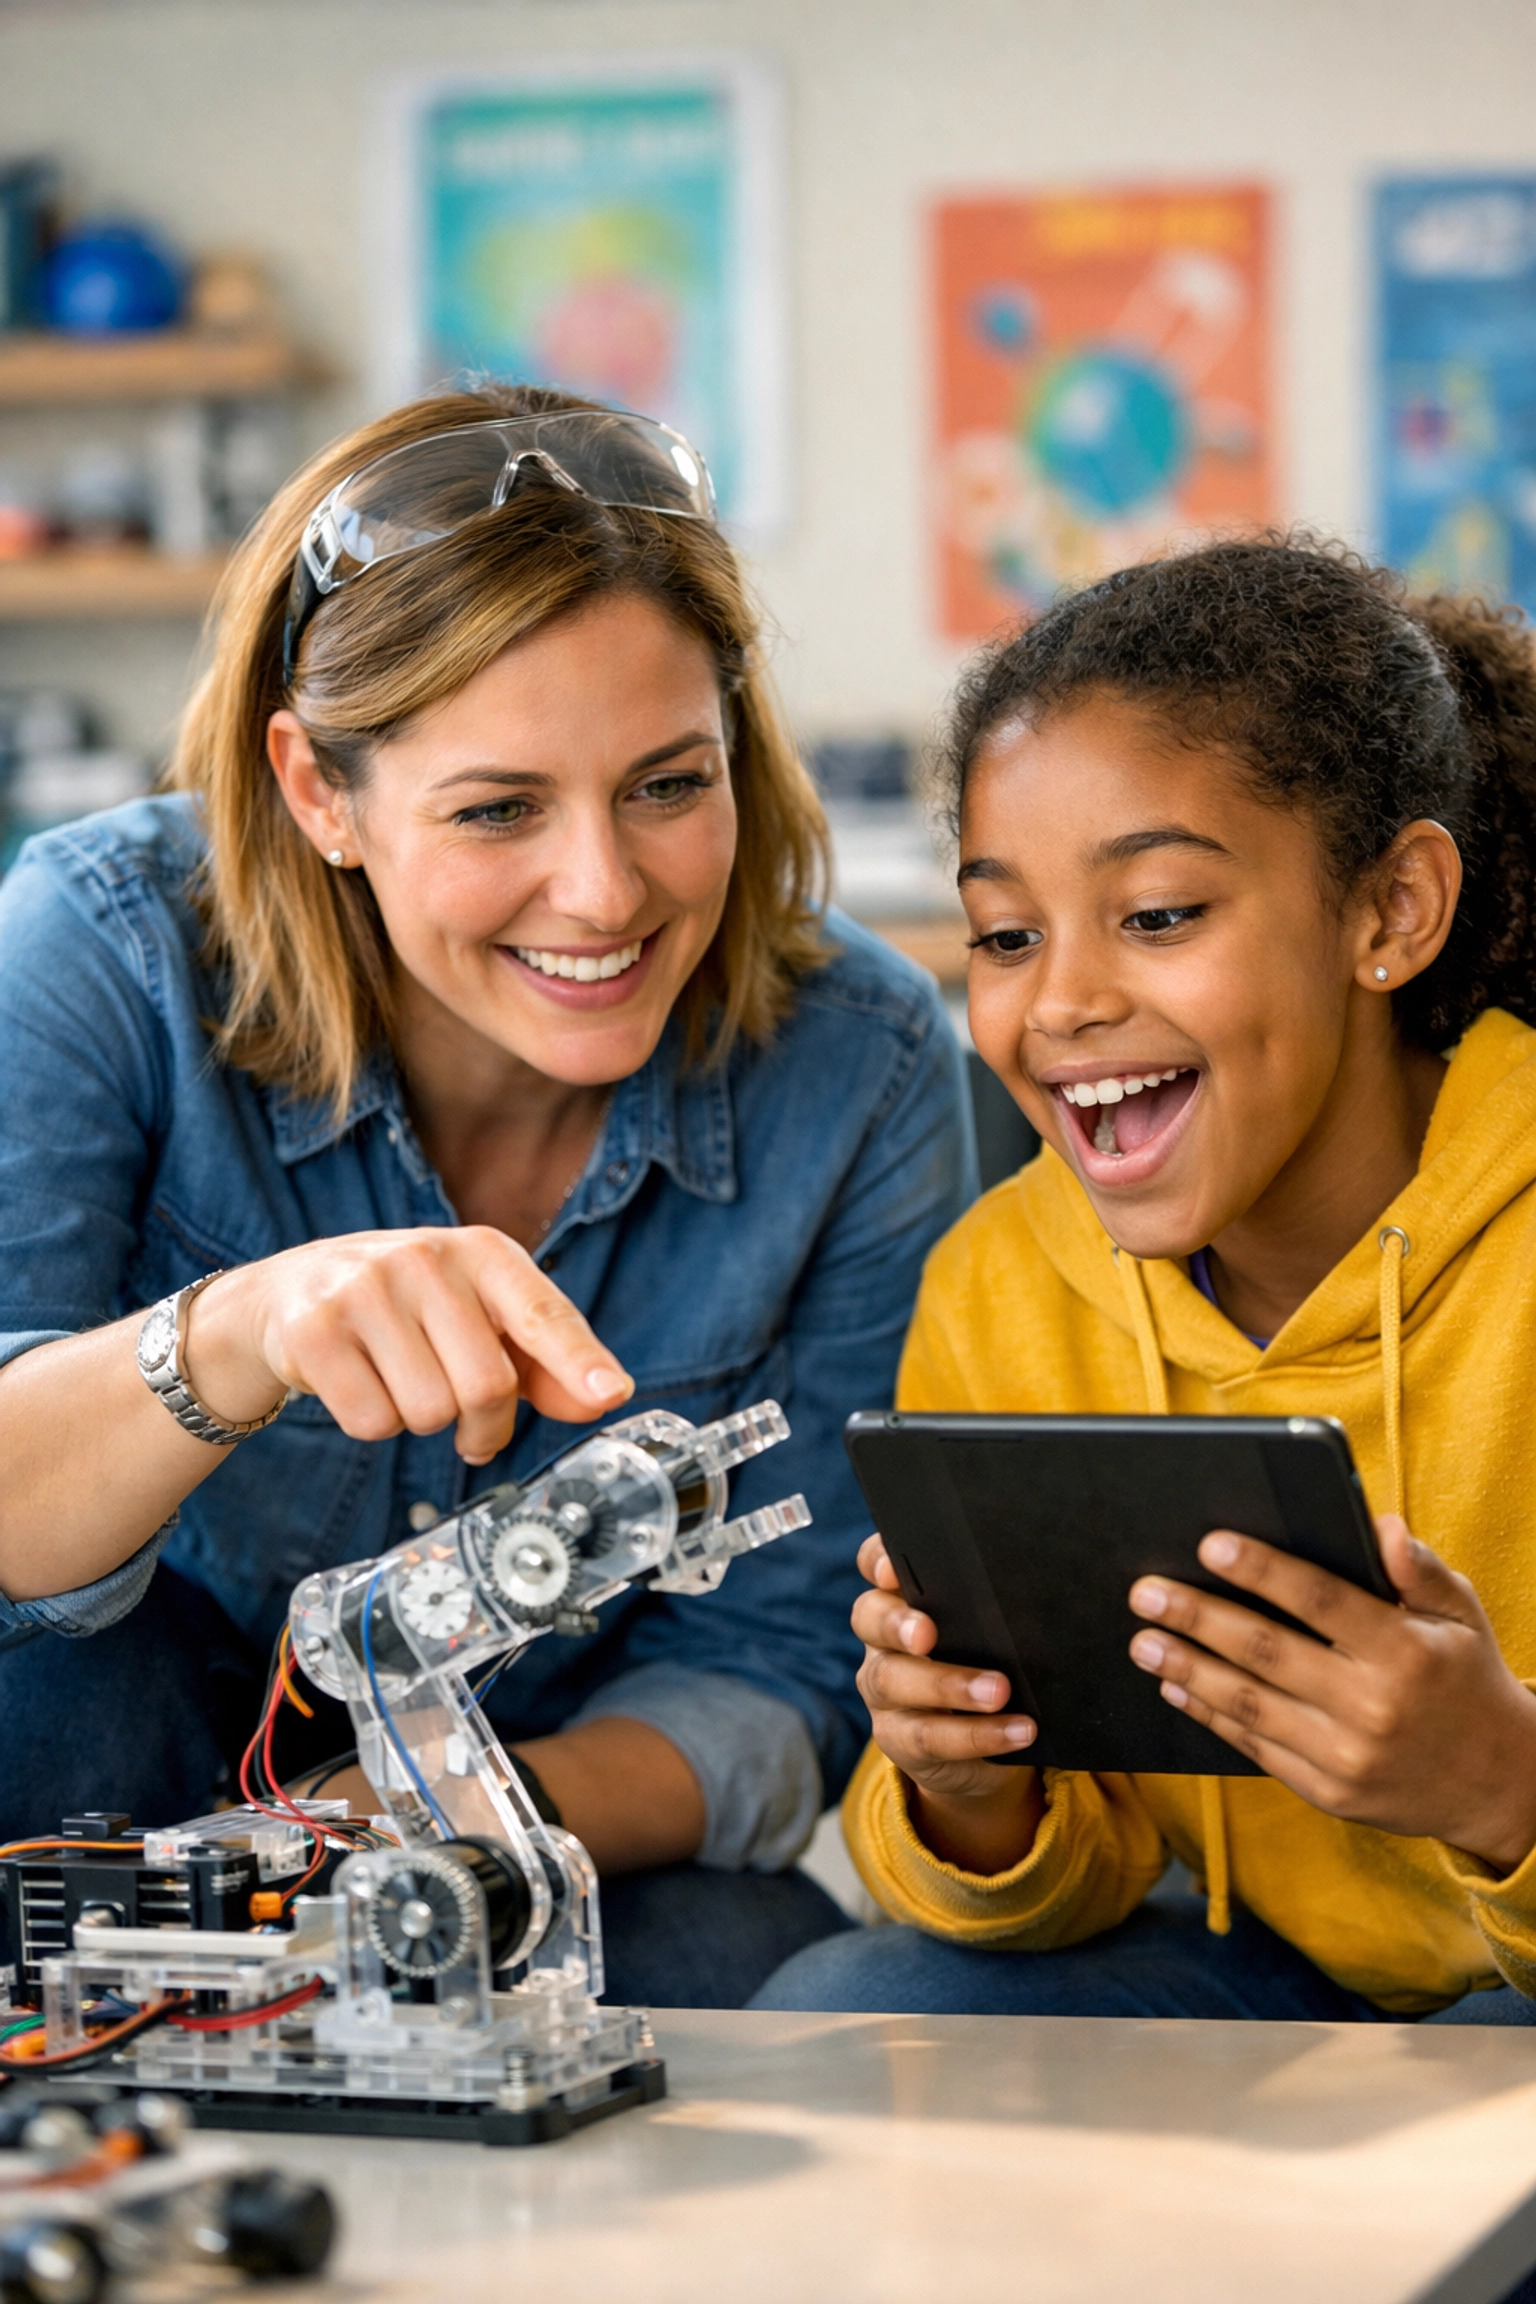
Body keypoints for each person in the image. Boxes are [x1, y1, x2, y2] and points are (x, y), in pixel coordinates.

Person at [0, 383, 974, 2009]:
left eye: (670, 784)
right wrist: (241, 1333)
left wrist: (375, 1834)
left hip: (514, 1828)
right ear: (321, 791)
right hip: (100, 1799)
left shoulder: (861, 1062)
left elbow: (780, 1673)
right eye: (498, 810)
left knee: (767, 1979)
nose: (604, 893)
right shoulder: (102, 954)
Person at [755, 534, 1536, 2027]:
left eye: (1160, 914)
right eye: (1004, 935)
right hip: (1253, 1966)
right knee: (850, 1996)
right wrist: (966, 1786)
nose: (1063, 1002)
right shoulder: (1002, 1286)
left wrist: (1506, 1780)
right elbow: (1079, 1866)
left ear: (1390, 912)